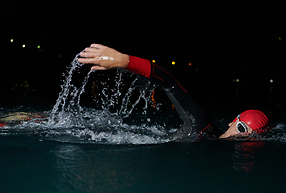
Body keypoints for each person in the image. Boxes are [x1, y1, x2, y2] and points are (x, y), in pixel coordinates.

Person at [78, 44, 270, 139]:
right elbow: (171, 82)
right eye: (242, 129)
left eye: (251, 138)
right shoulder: (202, 127)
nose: (241, 138)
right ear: (232, 122)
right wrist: (125, 61)